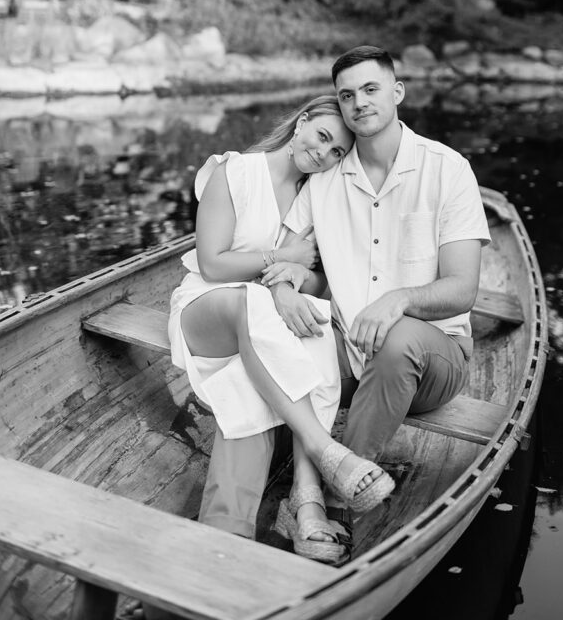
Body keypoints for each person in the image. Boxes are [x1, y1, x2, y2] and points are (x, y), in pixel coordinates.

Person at [206, 45, 491, 552]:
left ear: (397, 92)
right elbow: (290, 258)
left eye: (371, 89)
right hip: (348, 347)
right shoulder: (325, 178)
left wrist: (399, 299)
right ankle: (302, 500)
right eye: (347, 94)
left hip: (433, 355)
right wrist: (284, 287)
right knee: (290, 333)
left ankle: (337, 501)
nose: (359, 102)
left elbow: (463, 289)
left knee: (396, 338)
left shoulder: (447, 169)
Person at [167, 93, 395, 567]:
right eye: (323, 137)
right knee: (252, 302)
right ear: (302, 122)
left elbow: (317, 277)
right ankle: (320, 444)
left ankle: (224, 540)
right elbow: (211, 263)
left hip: (265, 327)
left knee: (259, 380)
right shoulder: (234, 172)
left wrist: (290, 285)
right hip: (208, 312)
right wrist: (280, 263)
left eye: (336, 152)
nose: (324, 154)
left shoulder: (319, 196)